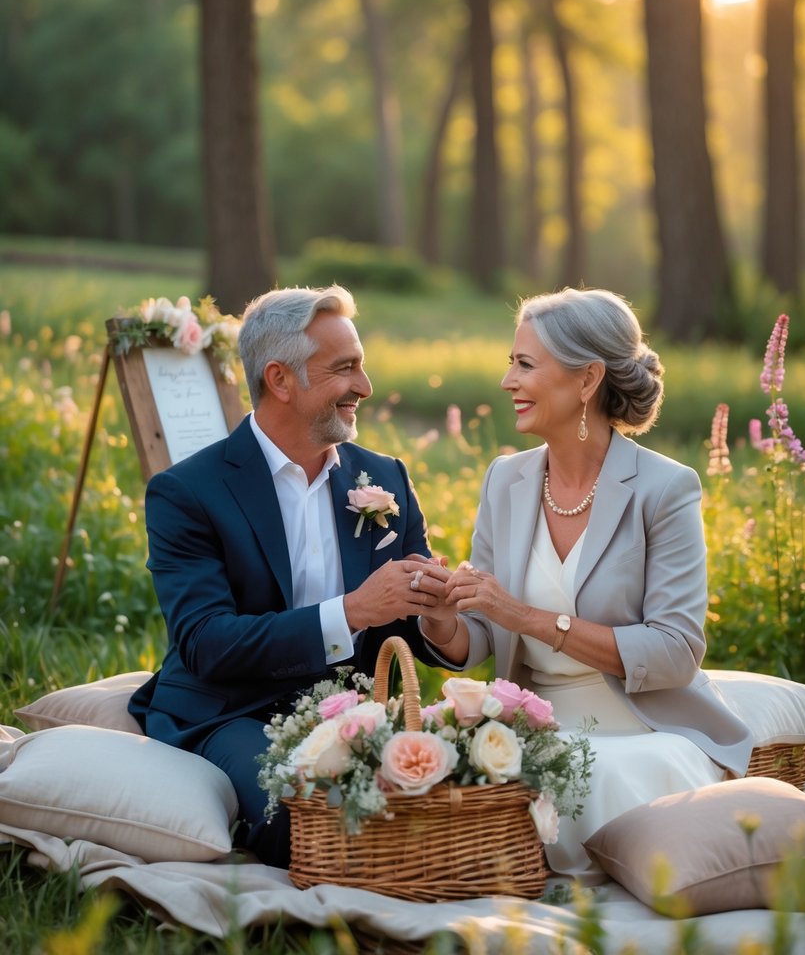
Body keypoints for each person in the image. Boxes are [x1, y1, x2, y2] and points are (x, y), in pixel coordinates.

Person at [415, 287, 753, 880]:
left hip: (641, 723)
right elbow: (484, 639)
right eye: (510, 362)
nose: (506, 381)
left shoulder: (665, 489)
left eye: (524, 364)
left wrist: (526, 617)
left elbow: (675, 652)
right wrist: (443, 620)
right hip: (530, 719)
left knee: (590, 776)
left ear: (587, 379)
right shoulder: (505, 480)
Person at [128, 284, 449, 867]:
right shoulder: (187, 493)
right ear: (280, 380)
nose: (365, 387)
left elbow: (413, 627)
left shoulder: (385, 477)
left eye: (362, 366)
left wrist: (440, 616)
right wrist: (351, 612)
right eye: (345, 369)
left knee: (447, 801)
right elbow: (205, 643)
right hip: (233, 708)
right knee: (310, 818)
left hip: (354, 705)